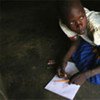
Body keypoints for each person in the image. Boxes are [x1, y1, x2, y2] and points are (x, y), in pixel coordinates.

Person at [57, 0, 100, 85]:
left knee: (96, 77)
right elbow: (77, 40)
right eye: (72, 22)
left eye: (81, 18)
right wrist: (64, 60)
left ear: (85, 12)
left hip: (97, 36)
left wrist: (86, 74)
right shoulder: (63, 24)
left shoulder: (96, 27)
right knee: (76, 52)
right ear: (65, 22)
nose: (79, 25)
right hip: (94, 41)